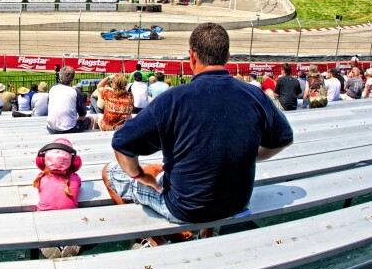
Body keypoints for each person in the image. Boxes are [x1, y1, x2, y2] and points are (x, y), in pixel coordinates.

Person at [102, 23, 293, 245]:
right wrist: (252, 154)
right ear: (227, 56)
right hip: (237, 202)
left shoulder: (173, 100)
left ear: (192, 57)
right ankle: (205, 231)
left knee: (110, 172)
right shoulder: (255, 95)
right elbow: (284, 137)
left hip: (184, 208)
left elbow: (121, 144)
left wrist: (139, 176)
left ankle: (154, 239)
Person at [33, 138, 83, 259]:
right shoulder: (75, 178)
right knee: (75, 224)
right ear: (74, 162)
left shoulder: (41, 178)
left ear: (42, 161)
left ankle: (46, 245)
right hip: (70, 217)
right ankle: (73, 242)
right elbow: (78, 185)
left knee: (43, 226)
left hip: (45, 218)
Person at [47, 66, 94, 134]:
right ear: (72, 79)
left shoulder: (52, 89)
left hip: (51, 128)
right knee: (91, 119)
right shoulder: (76, 92)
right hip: (70, 129)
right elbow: (82, 116)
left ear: (60, 77)